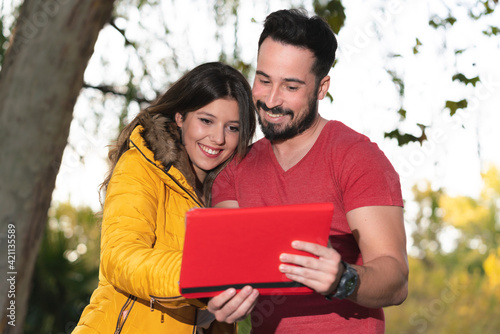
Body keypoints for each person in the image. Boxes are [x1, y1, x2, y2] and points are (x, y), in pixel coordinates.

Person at [207, 9, 409, 333]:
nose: (271, 99)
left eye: (290, 86)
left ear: (321, 87)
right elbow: (229, 271)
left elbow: (396, 280)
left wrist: (343, 279)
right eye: (263, 80)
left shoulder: (357, 157)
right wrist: (216, 303)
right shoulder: (234, 169)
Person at [72, 62, 256, 334]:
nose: (218, 138)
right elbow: (120, 258)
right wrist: (202, 276)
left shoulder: (226, 196)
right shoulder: (141, 164)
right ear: (180, 117)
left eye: (232, 128)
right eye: (206, 121)